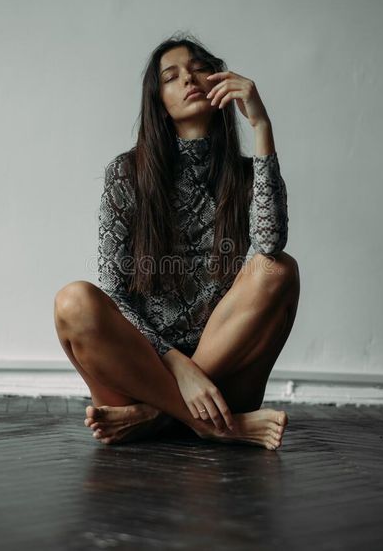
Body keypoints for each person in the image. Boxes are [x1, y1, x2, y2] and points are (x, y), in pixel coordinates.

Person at [54, 33, 300, 451]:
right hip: (141, 374)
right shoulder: (126, 174)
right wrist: (176, 364)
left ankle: (153, 418)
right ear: (159, 104)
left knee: (279, 268)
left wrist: (261, 125)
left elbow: (270, 242)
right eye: (172, 76)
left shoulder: (242, 175)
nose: (190, 79)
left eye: (200, 68)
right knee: (72, 302)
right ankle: (212, 425)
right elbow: (113, 290)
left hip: (222, 381)